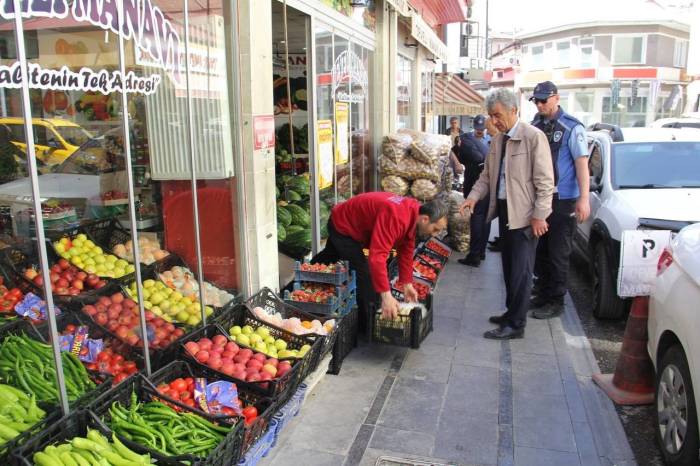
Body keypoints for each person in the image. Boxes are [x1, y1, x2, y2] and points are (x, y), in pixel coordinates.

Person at [460, 88, 555, 340]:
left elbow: (545, 182)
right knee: (508, 266)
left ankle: (516, 324)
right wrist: (471, 197)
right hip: (504, 210)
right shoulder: (498, 140)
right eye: (491, 116)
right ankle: (511, 312)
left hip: (525, 215)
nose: (494, 121)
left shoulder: (533, 137)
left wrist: (540, 215)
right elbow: (486, 177)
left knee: (522, 272)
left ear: (514, 110)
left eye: (498, 115)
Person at [313, 192, 449, 333]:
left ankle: (292, 288)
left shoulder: (412, 214)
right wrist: (386, 296)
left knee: (327, 258)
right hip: (343, 227)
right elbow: (377, 257)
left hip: (347, 222)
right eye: (435, 229)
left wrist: (407, 283)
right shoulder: (397, 217)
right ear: (425, 219)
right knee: (365, 275)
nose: (434, 235)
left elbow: (406, 250)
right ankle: (368, 327)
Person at [528, 81, 591, 319]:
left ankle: (556, 301)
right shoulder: (535, 125)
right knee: (541, 251)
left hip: (563, 199)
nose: (540, 104)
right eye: (537, 100)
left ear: (556, 98)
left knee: (558, 252)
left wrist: (584, 199)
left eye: (544, 100)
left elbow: (581, 164)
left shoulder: (571, 127)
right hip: (541, 198)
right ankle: (543, 293)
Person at [454, 114, 491, 267]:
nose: (479, 131)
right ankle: (478, 251)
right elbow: (458, 154)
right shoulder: (466, 139)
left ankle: (476, 253)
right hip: (474, 182)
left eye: (482, 129)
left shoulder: (494, 140)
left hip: (485, 183)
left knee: (480, 217)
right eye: (477, 129)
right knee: (479, 217)